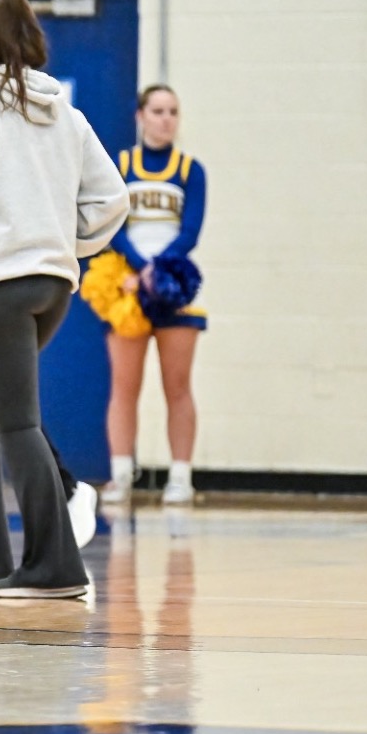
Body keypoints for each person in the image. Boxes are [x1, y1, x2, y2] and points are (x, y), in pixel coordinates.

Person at [0, 0, 127, 596]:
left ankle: (54, 565)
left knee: (17, 425)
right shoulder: (67, 115)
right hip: (52, 287)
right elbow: (112, 201)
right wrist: (62, 245)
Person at [103, 84, 207, 506]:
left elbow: (190, 232)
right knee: (124, 387)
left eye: (173, 112)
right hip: (128, 289)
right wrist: (139, 268)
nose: (166, 119)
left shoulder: (190, 170)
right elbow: (112, 225)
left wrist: (157, 270)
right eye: (158, 111)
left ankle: (180, 477)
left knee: (177, 386)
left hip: (174, 289)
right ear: (141, 116)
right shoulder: (120, 165)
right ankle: (120, 475)